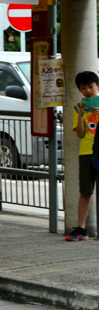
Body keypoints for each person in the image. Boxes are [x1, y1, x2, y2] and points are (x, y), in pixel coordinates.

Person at [67, 70, 99, 241]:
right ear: (79, 90)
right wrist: (80, 116)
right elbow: (80, 133)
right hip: (86, 152)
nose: (87, 90)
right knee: (85, 191)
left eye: (91, 87)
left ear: (98, 86)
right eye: (83, 87)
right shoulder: (78, 108)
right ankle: (81, 228)